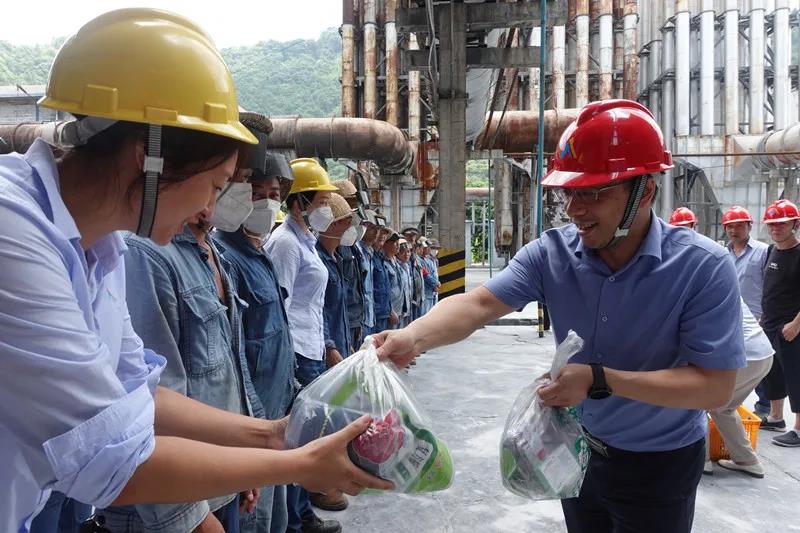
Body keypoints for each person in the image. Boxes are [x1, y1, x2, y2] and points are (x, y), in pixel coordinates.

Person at [0, 8, 391, 532]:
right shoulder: (14, 233)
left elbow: (137, 390)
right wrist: (298, 465)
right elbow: (110, 461)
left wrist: (273, 435)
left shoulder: (102, 249)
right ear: (149, 159)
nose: (211, 207)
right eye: (217, 183)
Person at [374, 100, 744, 533]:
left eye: (593, 193)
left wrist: (601, 379)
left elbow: (715, 387)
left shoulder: (702, 267)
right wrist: (412, 337)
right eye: (570, 192)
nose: (574, 209)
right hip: (576, 449)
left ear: (644, 192)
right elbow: (478, 305)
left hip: (660, 464)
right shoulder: (551, 254)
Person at [100, 176, 268, 531]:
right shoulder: (146, 254)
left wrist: (243, 460)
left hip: (215, 477)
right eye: (223, 182)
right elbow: (148, 404)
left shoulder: (213, 253)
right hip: (173, 499)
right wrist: (193, 518)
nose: (224, 197)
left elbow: (232, 368)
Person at [216, 140, 297, 533]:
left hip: (276, 411)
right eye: (256, 191)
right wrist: (253, 427)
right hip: (253, 421)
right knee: (254, 519)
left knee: (275, 517)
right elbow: (233, 356)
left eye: (274, 194)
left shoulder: (260, 253)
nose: (266, 202)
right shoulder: (225, 256)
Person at [264, 159, 346, 532]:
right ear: (299, 203)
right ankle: (296, 521)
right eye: (323, 202)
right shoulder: (285, 243)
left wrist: (325, 345)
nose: (327, 209)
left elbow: (313, 304)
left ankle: (302, 513)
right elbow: (279, 306)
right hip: (297, 351)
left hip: (311, 348)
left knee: (307, 435)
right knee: (297, 439)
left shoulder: (306, 241)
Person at [668, 208, 773, 477]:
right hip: (761, 352)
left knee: (700, 399)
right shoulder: (712, 265)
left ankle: (700, 460)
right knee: (722, 407)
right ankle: (747, 461)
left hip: (747, 352)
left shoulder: (697, 275)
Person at [723, 205, 772, 417]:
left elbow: (771, 286)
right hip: (731, 318)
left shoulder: (763, 251)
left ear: (750, 226)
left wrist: (765, 315)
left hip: (758, 317)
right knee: (737, 363)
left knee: (759, 363)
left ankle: (764, 406)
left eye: (739, 226)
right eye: (730, 227)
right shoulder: (721, 254)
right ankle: (734, 402)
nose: (734, 230)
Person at [759, 199, 800, 447]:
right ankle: (776, 417)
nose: (776, 228)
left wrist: (796, 324)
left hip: (791, 328)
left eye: (782, 224)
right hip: (770, 325)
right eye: (772, 224)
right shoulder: (771, 251)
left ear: (795, 224)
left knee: (796, 376)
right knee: (773, 374)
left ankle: (799, 429)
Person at [318, 193, 357, 363]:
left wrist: (347, 343)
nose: (352, 228)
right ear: (333, 224)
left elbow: (339, 309)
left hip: (340, 343)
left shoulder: (337, 259)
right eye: (348, 222)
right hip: (328, 352)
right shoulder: (318, 260)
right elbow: (319, 309)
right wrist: (329, 347)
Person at [358, 212, 379, 337]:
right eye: (371, 228)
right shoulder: (358, 251)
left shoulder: (370, 253)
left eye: (377, 228)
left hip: (370, 314)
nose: (376, 232)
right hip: (361, 316)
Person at [372, 225, 392, 332]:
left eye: (385, 234)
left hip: (383, 311)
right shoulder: (370, 256)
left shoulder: (380, 257)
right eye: (380, 232)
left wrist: (389, 309)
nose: (382, 236)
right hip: (375, 313)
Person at [383, 232, 403, 330]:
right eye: (395, 243)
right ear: (386, 244)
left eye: (398, 243)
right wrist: (390, 310)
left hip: (399, 310)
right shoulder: (383, 263)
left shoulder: (396, 262)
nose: (398, 246)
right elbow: (384, 290)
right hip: (391, 312)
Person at [397, 239, 414, 328]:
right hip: (399, 309)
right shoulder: (396, 266)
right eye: (403, 252)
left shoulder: (407, 266)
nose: (406, 254)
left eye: (408, 251)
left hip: (407, 307)